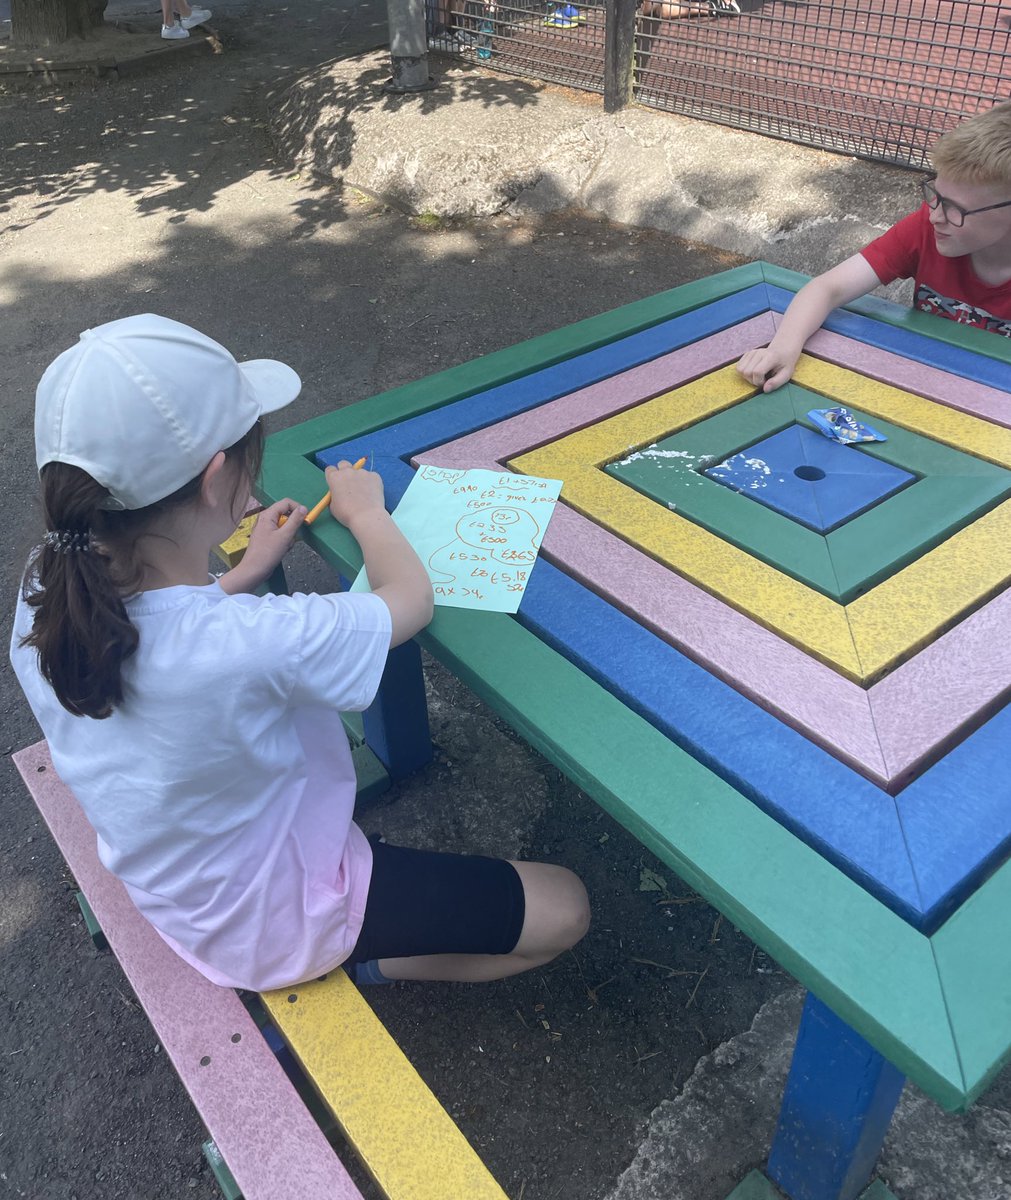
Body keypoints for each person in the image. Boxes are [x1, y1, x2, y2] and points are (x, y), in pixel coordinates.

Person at [10, 315, 590, 993]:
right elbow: (409, 602)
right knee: (563, 906)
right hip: (279, 922)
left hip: (175, 888)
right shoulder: (255, 642)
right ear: (216, 477)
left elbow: (166, 642)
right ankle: (363, 960)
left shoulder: (48, 579)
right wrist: (365, 510)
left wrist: (238, 576)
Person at [737, 101, 1011, 393]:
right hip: (921, 382)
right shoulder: (927, 228)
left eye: (955, 209)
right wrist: (783, 348)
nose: (934, 216)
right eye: (935, 194)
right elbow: (828, 288)